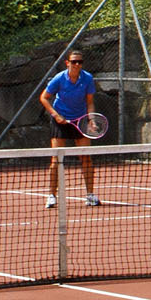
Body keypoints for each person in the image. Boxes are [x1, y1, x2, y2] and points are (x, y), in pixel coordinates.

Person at [41, 48, 104, 208]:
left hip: (80, 120)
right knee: (57, 159)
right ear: (67, 63)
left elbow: (89, 102)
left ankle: (90, 195)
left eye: (79, 62)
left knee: (86, 159)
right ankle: (51, 195)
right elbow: (44, 98)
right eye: (74, 62)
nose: (77, 65)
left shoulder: (87, 78)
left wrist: (91, 120)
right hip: (60, 120)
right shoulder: (59, 79)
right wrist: (56, 115)